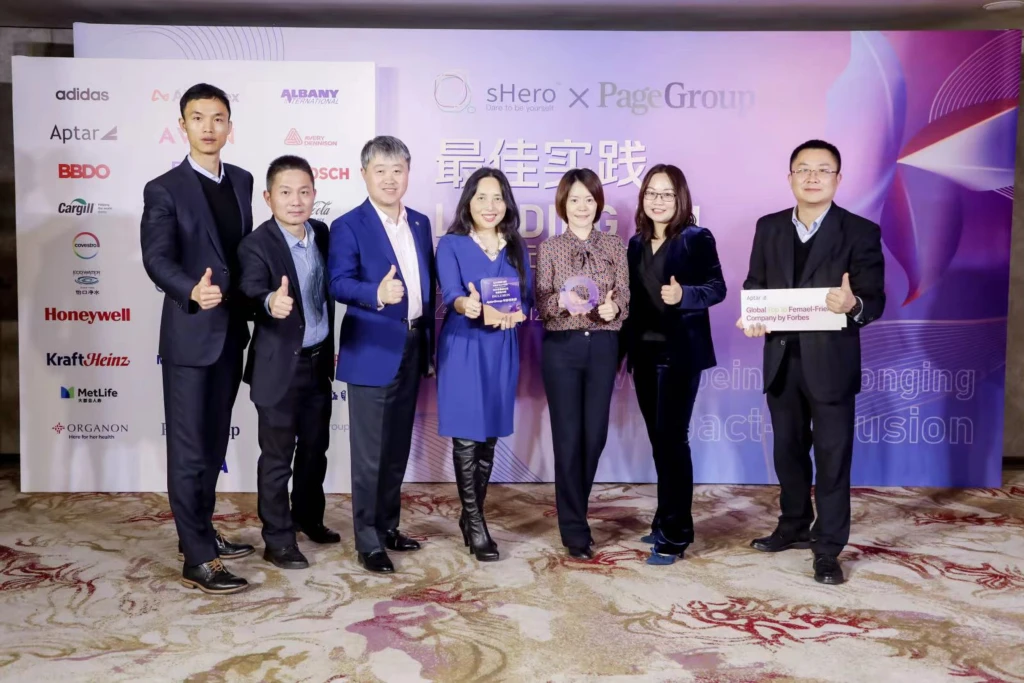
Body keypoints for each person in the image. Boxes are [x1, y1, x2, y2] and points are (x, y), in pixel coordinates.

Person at [738, 139, 885, 585]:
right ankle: (794, 525)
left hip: (831, 364)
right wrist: (752, 314)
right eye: (803, 169)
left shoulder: (859, 231)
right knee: (788, 452)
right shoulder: (769, 227)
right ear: (790, 178)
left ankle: (828, 548)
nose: (812, 177)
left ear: (838, 179)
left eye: (823, 169)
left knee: (833, 459)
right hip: (782, 359)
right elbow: (755, 284)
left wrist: (852, 303)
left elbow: (874, 299)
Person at [141, 83, 255, 594]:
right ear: (182, 125)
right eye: (198, 118)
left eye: (218, 118)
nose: (208, 127)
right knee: (189, 450)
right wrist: (190, 290)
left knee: (212, 444)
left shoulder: (244, 181)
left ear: (230, 126)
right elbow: (156, 258)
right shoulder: (164, 189)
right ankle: (198, 559)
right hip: (190, 336)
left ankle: (201, 533)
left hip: (231, 334)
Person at [327, 136, 436, 574]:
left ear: (408, 173)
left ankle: (389, 526)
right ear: (364, 174)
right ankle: (368, 541)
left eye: (398, 170)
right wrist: (375, 292)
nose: (390, 179)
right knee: (369, 454)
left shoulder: (420, 223)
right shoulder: (348, 225)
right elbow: (337, 282)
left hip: (413, 344)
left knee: (396, 447)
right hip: (372, 348)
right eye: (381, 171)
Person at [237, 155, 338, 571]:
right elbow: (247, 290)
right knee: (277, 459)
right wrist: (268, 302)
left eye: (303, 192)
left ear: (314, 194)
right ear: (268, 197)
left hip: (318, 361)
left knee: (315, 451)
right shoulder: (256, 244)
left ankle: (308, 517)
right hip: (280, 367)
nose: (295, 201)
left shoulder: (322, 233)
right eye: (285, 192)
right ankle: (277, 539)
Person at [621, 164, 726, 561]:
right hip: (644, 354)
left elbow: (717, 288)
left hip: (680, 354)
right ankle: (665, 518)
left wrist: (685, 296)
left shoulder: (697, 238)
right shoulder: (635, 243)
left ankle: (677, 533)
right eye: (651, 192)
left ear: (680, 198)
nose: (658, 200)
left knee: (672, 441)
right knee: (659, 442)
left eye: (666, 193)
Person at [435, 167, 533, 562]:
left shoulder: (516, 245)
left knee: (489, 436)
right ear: (468, 203)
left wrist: (520, 313)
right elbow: (452, 294)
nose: (490, 206)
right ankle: (476, 525)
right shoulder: (451, 244)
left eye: (497, 198)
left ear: (507, 203)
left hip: (502, 346)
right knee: (466, 436)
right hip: (464, 344)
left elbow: (526, 298)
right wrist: (467, 304)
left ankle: (468, 516)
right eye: (481, 197)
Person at [536, 168, 629, 559]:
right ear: (563, 204)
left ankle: (574, 506)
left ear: (598, 203)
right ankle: (574, 528)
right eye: (574, 199)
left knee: (594, 436)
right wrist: (561, 302)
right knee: (568, 437)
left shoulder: (614, 245)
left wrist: (614, 308)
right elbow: (541, 302)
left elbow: (624, 294)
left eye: (588, 199)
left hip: (604, 346)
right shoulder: (550, 248)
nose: (581, 207)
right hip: (563, 347)